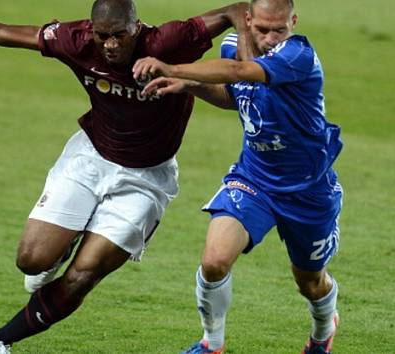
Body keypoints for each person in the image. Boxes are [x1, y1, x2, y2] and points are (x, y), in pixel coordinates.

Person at [0, 0, 250, 353]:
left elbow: (236, 11)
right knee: (31, 261)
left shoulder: (168, 41)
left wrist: (249, 68)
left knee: (81, 277)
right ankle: (67, 241)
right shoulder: (74, 39)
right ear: (91, 30)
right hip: (89, 158)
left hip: (145, 179)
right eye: (102, 35)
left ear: (136, 28)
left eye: (120, 34)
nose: (110, 44)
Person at [132, 0, 343, 353]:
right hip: (255, 178)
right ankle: (211, 344)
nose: (272, 38)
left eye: (280, 29)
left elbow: (242, 73)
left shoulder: (298, 55)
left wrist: (175, 68)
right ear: (247, 20)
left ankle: (324, 329)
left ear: (294, 22)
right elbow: (236, 94)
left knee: (309, 281)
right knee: (214, 261)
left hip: (308, 190)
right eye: (262, 29)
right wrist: (188, 86)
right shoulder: (234, 47)